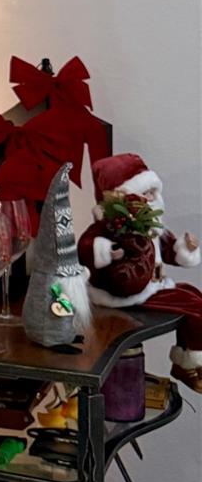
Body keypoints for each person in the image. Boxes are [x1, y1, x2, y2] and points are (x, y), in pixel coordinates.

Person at [78, 153, 202, 392]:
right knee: (195, 307)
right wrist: (107, 251)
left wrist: (186, 248)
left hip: (154, 286)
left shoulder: (152, 227)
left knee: (193, 294)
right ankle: (190, 364)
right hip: (129, 293)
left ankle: (186, 359)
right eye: (146, 193)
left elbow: (169, 252)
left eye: (153, 192)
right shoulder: (111, 227)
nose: (153, 198)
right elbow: (85, 247)